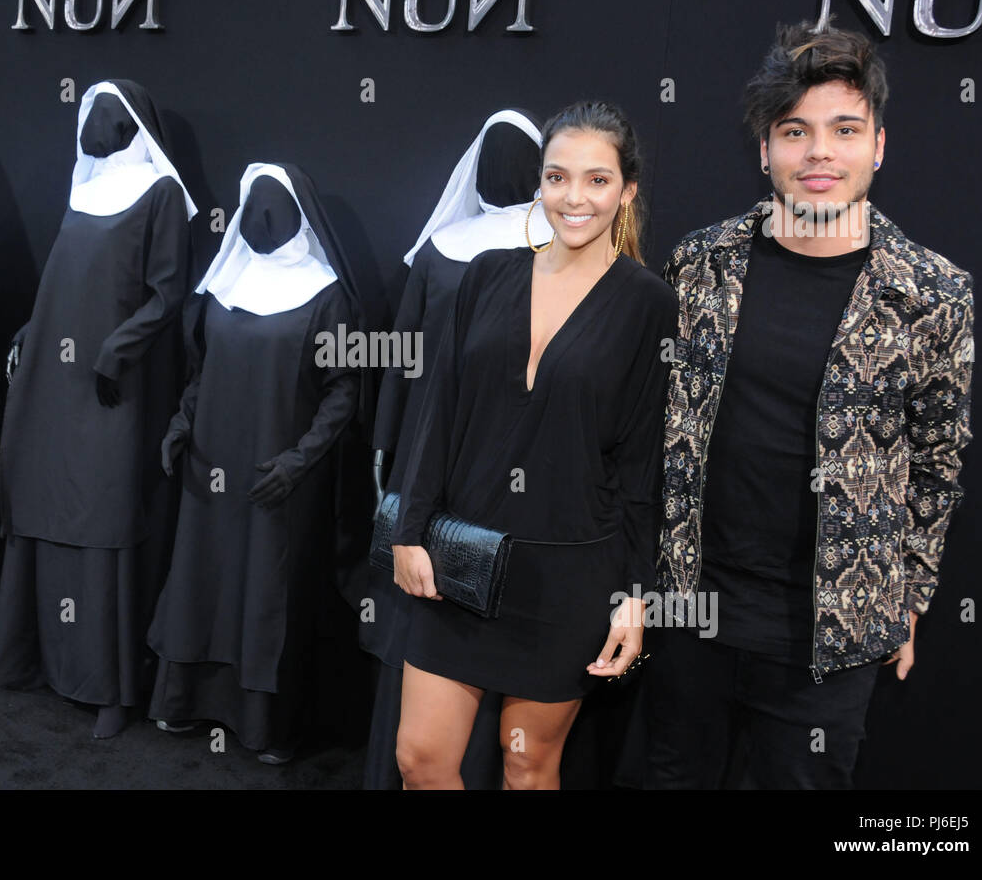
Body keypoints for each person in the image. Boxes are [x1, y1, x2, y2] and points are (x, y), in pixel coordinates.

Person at [645, 20, 975, 789]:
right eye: (795, 130)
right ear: (764, 149)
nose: (819, 151)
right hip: (690, 611)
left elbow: (937, 459)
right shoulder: (700, 263)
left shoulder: (931, 292)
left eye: (844, 129)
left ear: (879, 145)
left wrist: (908, 595)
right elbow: (655, 427)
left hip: (831, 635)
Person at [390, 101, 678, 789]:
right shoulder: (486, 275)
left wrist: (636, 595)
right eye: (557, 176)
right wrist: (408, 530)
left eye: (597, 180)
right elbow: (436, 412)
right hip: (457, 557)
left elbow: (645, 464)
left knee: (528, 765)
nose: (574, 197)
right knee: (421, 758)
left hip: (568, 575)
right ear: (539, 183)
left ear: (627, 189)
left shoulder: (649, 304)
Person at [0, 80, 196, 739]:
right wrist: (29, 333)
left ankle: (110, 685)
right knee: (45, 499)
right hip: (55, 378)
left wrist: (117, 348)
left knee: (103, 517)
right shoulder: (84, 188)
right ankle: (39, 658)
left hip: (115, 388)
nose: (92, 122)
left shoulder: (159, 193)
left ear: (132, 123)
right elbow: (60, 282)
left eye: (107, 112)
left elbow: (168, 294)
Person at [147, 162, 367, 763]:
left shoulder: (327, 296)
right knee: (202, 584)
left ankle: (265, 725)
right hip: (209, 469)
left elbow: (344, 389)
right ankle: (186, 701)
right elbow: (203, 370)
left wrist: (299, 461)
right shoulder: (225, 283)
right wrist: (181, 423)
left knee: (266, 596)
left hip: (276, 477)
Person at [362, 108, 545, 790]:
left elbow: (400, 367)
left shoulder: (442, 249)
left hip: (423, 460)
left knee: (431, 610)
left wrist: (386, 453)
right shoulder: (552, 251)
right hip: (507, 468)